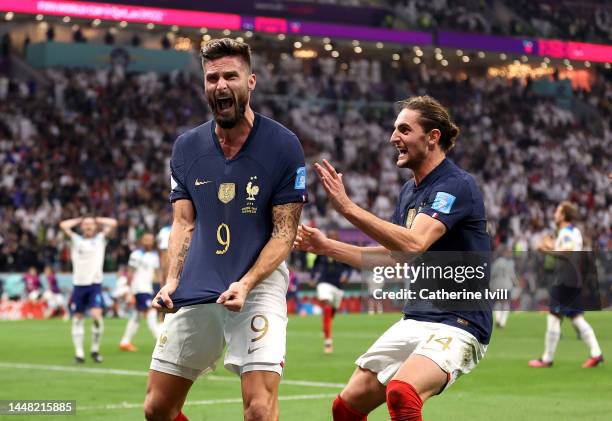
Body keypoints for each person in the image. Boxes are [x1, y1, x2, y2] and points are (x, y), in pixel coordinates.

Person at [295, 95, 491, 421]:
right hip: (416, 318)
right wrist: (327, 246)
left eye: (403, 129)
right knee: (345, 408)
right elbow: (396, 258)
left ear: (432, 137)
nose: (393, 138)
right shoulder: (409, 192)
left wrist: (348, 209)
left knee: (402, 393)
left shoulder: (456, 185)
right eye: (394, 129)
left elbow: (414, 243)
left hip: (461, 322)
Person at [144, 38, 307, 421]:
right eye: (212, 77)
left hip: (258, 284)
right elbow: (184, 223)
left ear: (250, 81)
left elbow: (284, 233)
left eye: (230, 76)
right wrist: (171, 280)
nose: (220, 85)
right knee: (157, 408)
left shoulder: (284, 146)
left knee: (259, 411)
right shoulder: (186, 148)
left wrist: (247, 283)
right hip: (199, 282)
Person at [529, 201, 604, 368]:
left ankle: (547, 359)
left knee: (554, 317)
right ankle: (596, 353)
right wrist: (551, 246)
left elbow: (568, 251)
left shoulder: (565, 232)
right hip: (573, 279)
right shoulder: (574, 231)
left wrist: (546, 250)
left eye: (558, 211)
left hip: (565, 280)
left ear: (563, 215)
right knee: (576, 318)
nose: (555, 214)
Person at [60, 216, 117, 363]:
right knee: (77, 319)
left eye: (91, 224)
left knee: (97, 317)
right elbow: (63, 224)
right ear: (81, 226)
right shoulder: (76, 239)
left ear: (95, 226)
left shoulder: (100, 239)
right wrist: (80, 219)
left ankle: (95, 350)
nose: (88, 226)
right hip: (78, 285)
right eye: (86, 224)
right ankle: (79, 354)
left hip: (94, 285)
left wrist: (96, 220)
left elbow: (113, 223)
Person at [120, 233, 162, 351]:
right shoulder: (136, 254)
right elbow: (130, 272)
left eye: (150, 240)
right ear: (141, 241)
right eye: (146, 239)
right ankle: (161, 342)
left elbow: (157, 272)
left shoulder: (154, 255)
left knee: (137, 315)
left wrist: (160, 286)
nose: (148, 242)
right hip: (139, 288)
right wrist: (129, 289)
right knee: (151, 312)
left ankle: (125, 342)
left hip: (148, 288)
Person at [311, 231, 351, 353]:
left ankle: (326, 327)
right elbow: (314, 265)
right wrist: (313, 278)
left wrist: (346, 276)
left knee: (331, 312)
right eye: (330, 238)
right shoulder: (322, 251)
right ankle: (328, 342)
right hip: (324, 283)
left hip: (338, 287)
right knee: (327, 304)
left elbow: (349, 267)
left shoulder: (341, 252)